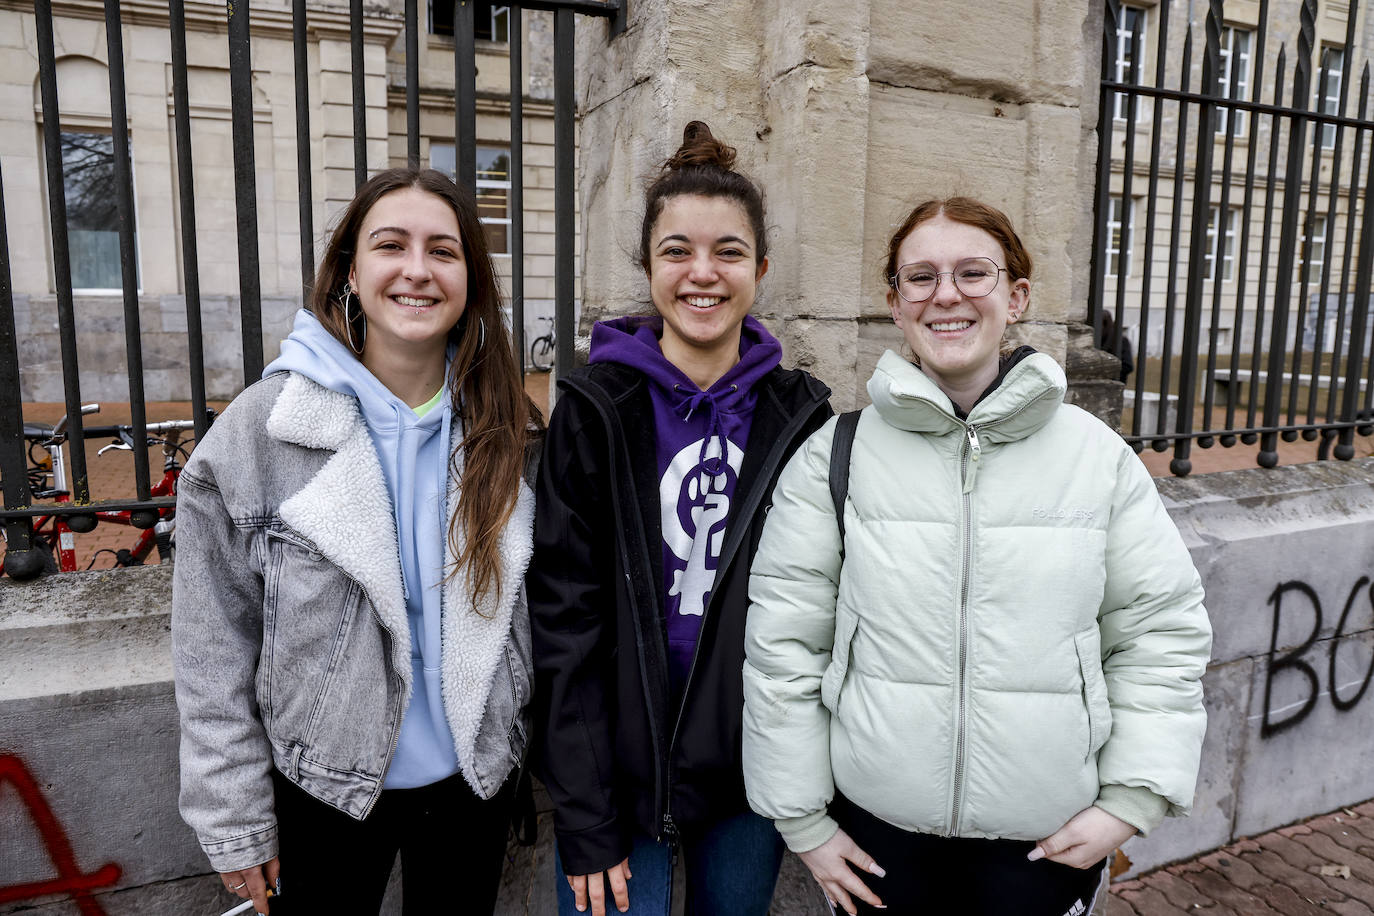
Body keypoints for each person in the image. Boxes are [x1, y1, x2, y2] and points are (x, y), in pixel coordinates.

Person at [741, 197, 1211, 916]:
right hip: (878, 843)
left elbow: (1159, 634)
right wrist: (803, 821)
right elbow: (784, 648)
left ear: (1015, 297)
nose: (946, 295)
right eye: (920, 278)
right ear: (896, 305)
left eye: (972, 272)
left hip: (1044, 846)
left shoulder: (1096, 460)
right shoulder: (836, 456)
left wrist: (1130, 801)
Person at [172, 167, 540, 916]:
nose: (416, 269)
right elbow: (211, 647)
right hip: (324, 791)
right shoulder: (264, 428)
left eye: (443, 250)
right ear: (349, 270)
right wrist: (235, 819)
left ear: (469, 278)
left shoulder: (509, 428)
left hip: (474, 783)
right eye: (390, 245)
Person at [528, 121, 833, 916]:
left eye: (729, 252)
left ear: (760, 270)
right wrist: (586, 818)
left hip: (745, 768)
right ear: (649, 266)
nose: (703, 274)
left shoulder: (801, 418)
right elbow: (564, 622)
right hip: (619, 774)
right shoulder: (595, 410)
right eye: (678, 251)